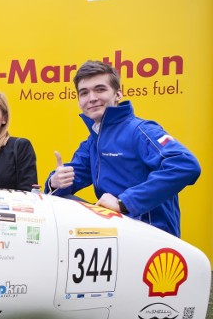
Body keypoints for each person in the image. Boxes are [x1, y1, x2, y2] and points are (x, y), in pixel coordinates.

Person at [45, 60, 200, 237]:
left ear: (118, 94)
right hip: (117, 238)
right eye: (84, 92)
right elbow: (71, 179)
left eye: (100, 89)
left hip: (153, 239)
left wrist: (124, 202)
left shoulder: (141, 131)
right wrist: (55, 182)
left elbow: (186, 165)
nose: (92, 98)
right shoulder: (92, 141)